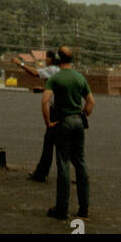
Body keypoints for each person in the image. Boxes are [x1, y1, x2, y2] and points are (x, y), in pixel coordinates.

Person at [42, 45, 94, 221]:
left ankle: (62, 208)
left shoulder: (55, 78)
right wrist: (82, 114)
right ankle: (84, 209)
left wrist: (49, 123)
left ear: (58, 58)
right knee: (80, 162)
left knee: (63, 163)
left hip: (62, 122)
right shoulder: (80, 78)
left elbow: (45, 102)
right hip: (78, 122)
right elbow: (91, 102)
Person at [14, 50, 60, 181]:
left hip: (55, 111)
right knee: (59, 144)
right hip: (63, 110)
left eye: (47, 58)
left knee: (50, 142)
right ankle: (79, 174)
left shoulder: (51, 70)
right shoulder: (61, 71)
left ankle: (41, 173)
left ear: (51, 59)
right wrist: (43, 89)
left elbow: (34, 73)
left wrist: (20, 63)